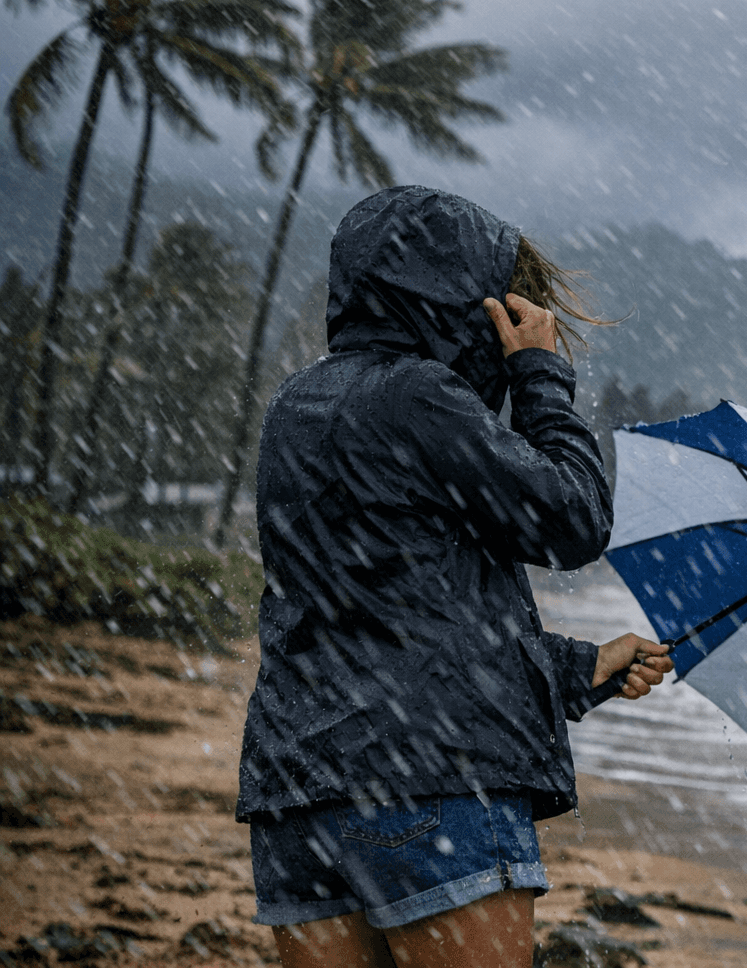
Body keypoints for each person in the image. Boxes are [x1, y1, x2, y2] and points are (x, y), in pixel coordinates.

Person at [235, 185, 672, 968]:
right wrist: (540, 376)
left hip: (297, 789)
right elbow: (574, 520)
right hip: (430, 783)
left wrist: (574, 670)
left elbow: (381, 609)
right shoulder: (421, 397)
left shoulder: (294, 406)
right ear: (468, 307)